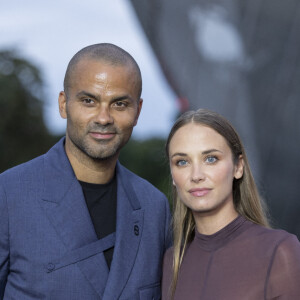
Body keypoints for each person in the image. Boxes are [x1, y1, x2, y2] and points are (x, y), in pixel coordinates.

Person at [0, 43, 171, 300]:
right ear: (63, 104)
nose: (103, 118)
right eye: (89, 101)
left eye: (120, 104)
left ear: (138, 111)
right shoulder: (8, 195)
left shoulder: (155, 207)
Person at [162, 109, 300, 300]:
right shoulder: (169, 263)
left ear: (238, 166)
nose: (196, 175)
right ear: (173, 176)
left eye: (211, 159)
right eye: (182, 162)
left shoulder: (279, 251)